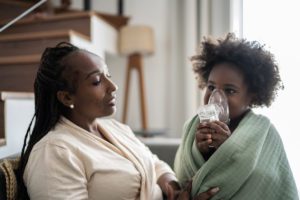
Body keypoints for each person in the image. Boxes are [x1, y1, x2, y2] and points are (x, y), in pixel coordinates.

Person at [16, 42, 218, 200]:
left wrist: (173, 187)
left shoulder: (116, 128)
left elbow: (154, 164)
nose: (113, 86)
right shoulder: (55, 152)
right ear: (67, 97)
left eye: (108, 75)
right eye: (96, 81)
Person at [174, 33, 299, 200]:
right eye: (211, 87)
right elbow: (183, 177)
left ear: (253, 96)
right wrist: (201, 151)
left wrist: (229, 151)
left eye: (230, 90)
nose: (216, 97)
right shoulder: (191, 128)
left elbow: (269, 184)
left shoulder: (265, 134)